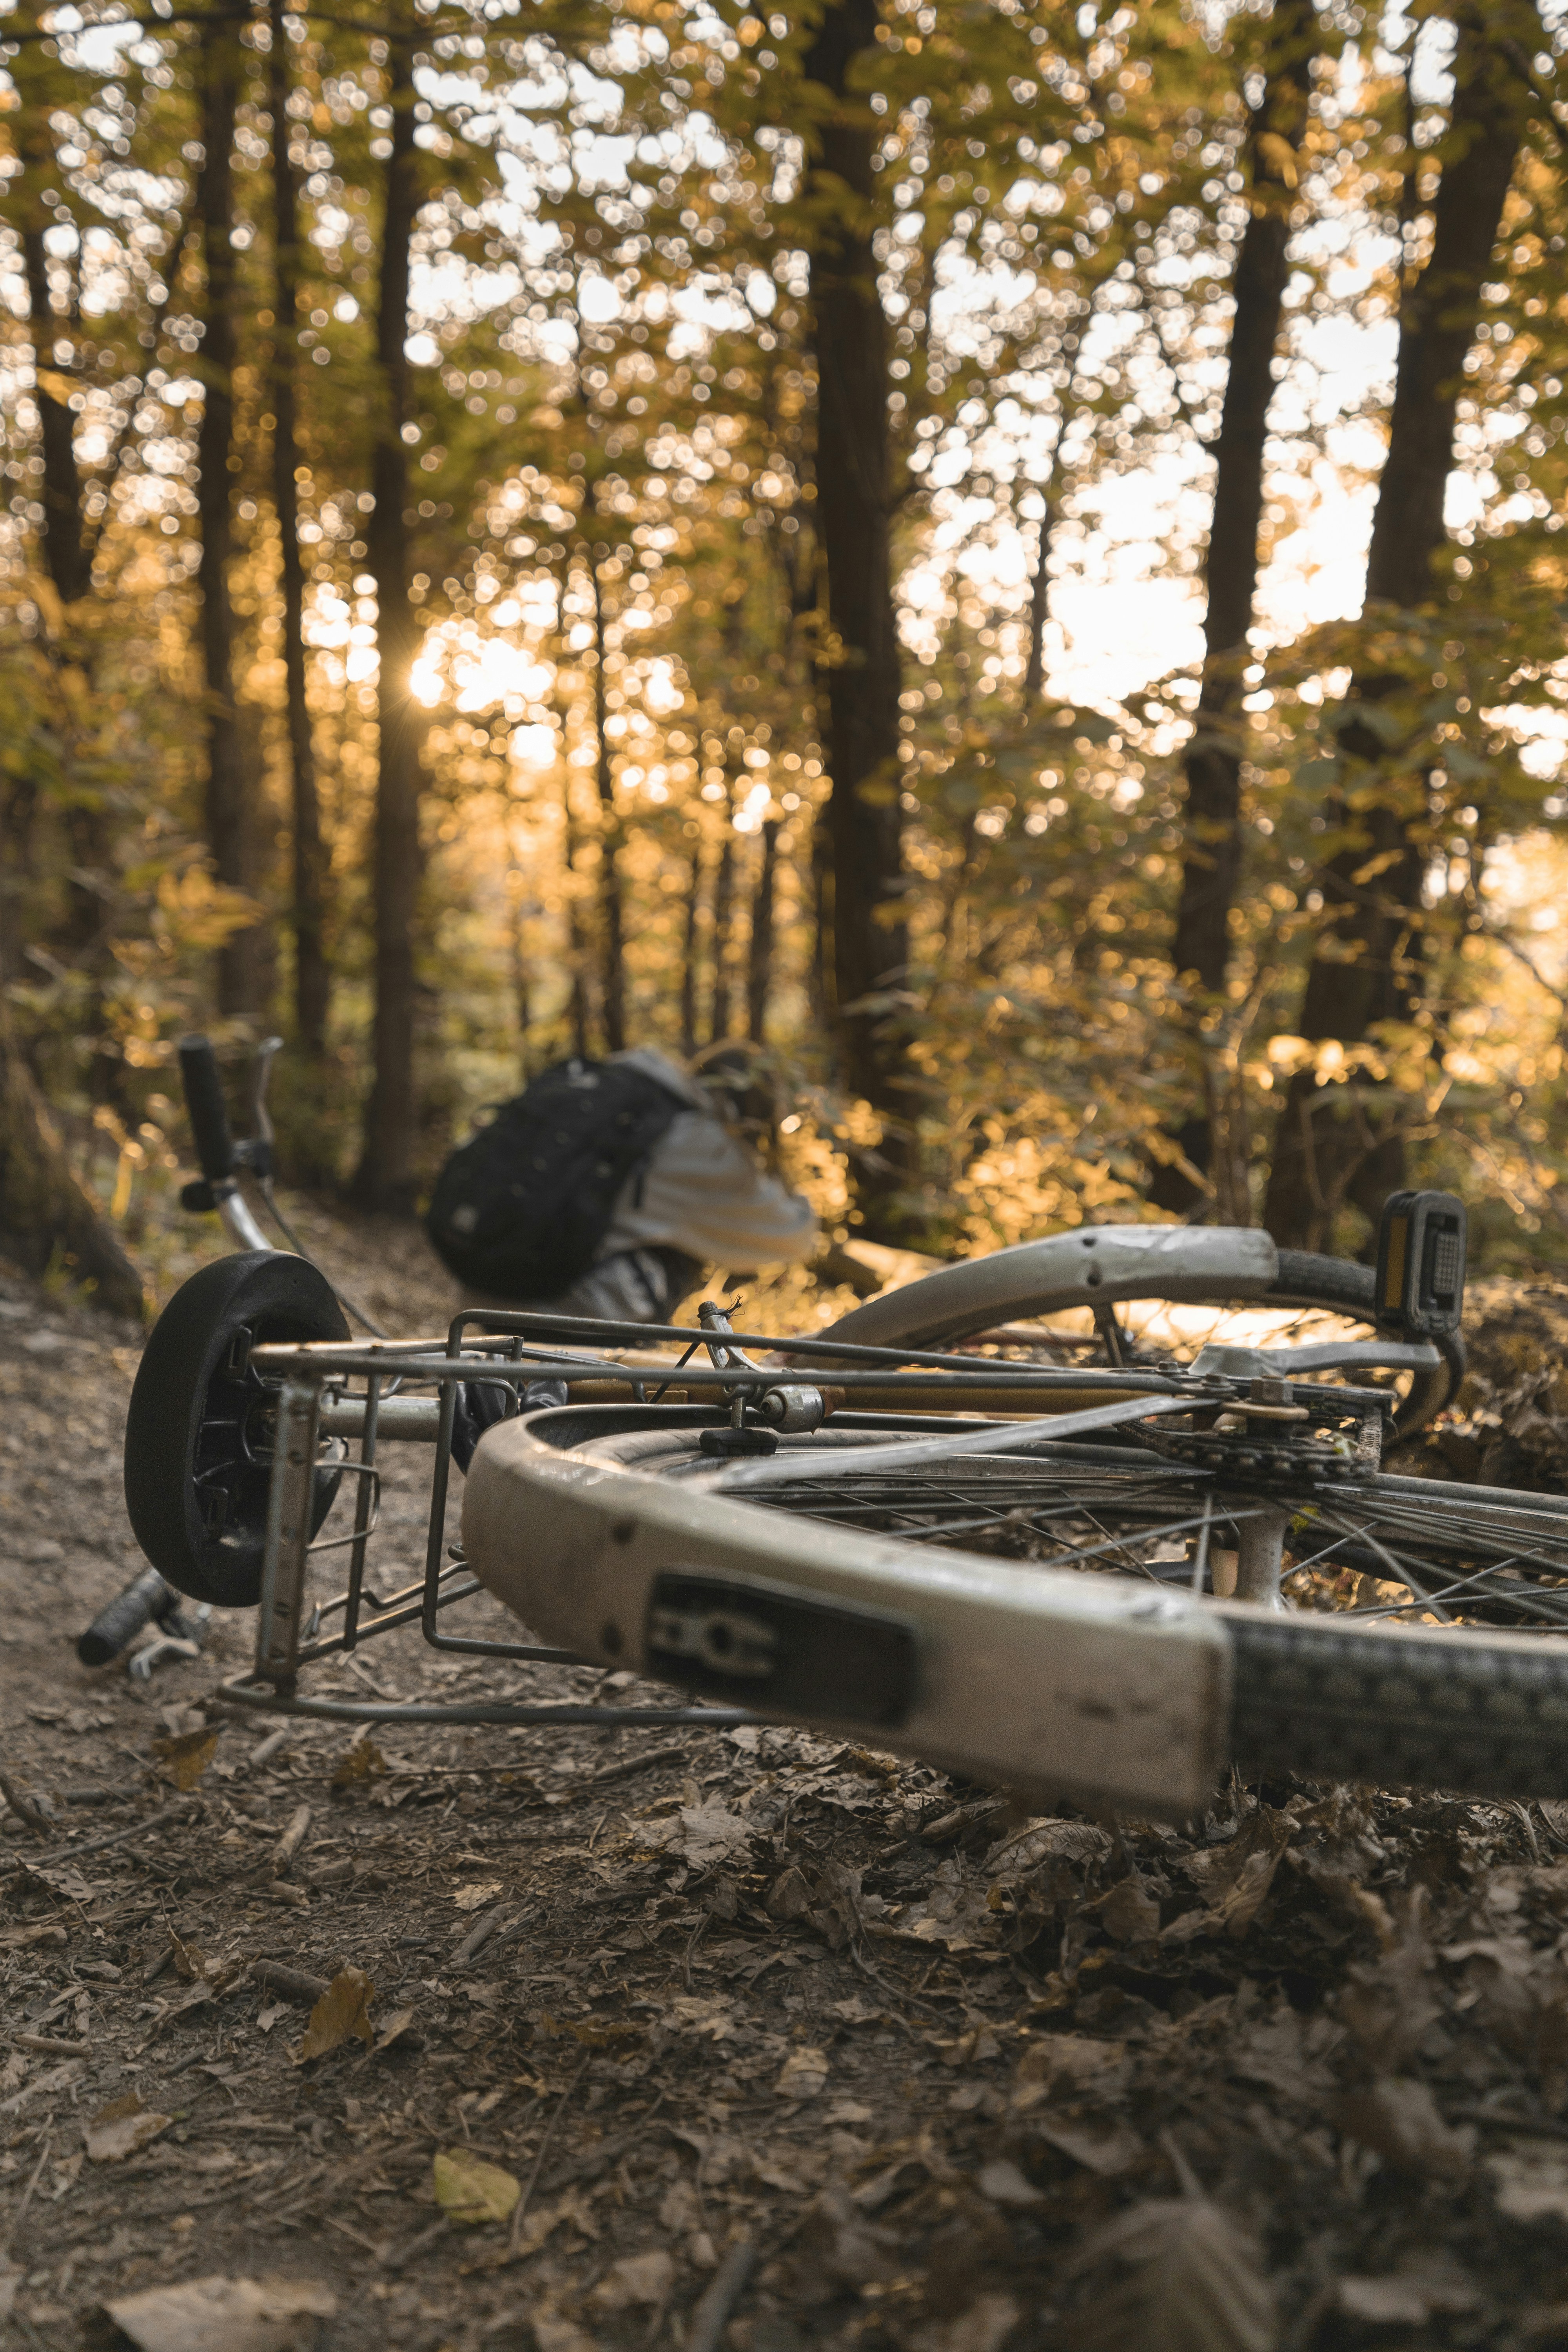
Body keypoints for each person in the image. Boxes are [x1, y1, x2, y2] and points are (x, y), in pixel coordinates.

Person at [461, 1040, 818, 1324]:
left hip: (484, 1284)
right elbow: (796, 1236)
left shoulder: (619, 1094)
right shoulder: (704, 1147)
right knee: (680, 1259)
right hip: (566, 1309)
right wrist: (783, 1169)